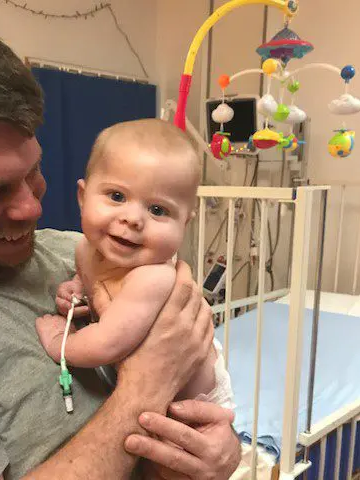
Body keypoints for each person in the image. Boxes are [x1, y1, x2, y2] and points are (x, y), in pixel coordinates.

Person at [0, 8, 241, 480]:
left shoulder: (78, 250)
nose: (31, 208)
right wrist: (145, 387)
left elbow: (195, 377)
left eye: (33, 172)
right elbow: (160, 366)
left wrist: (219, 451)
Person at [37, 119, 234, 408]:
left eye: (158, 210)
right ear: (82, 197)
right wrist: (76, 289)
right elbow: (91, 283)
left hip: (197, 400)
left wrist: (59, 342)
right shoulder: (83, 249)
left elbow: (107, 343)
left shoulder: (152, 279)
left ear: (184, 223)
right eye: (117, 196)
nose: (133, 218)